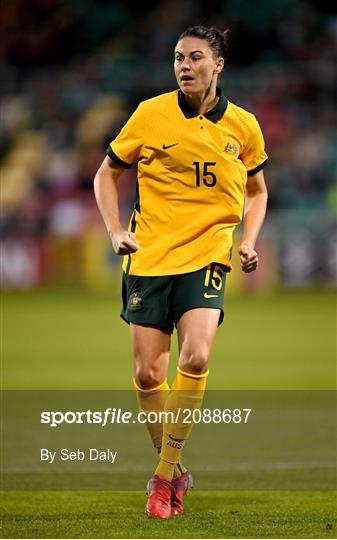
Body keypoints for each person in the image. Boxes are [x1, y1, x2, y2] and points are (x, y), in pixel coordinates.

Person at [94, 24, 268, 519]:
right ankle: (175, 469)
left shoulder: (244, 127)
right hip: (148, 258)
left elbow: (257, 191)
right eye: (177, 58)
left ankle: (160, 480)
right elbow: (106, 174)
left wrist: (249, 241)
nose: (184, 66)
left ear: (218, 66)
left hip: (208, 254)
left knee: (195, 356)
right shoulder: (150, 115)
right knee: (148, 372)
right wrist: (113, 231)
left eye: (194, 58)